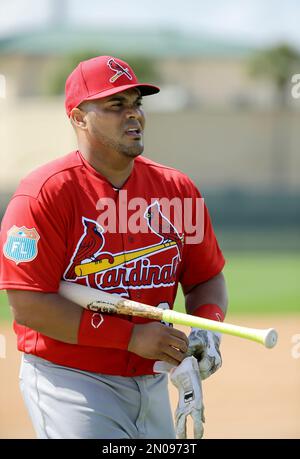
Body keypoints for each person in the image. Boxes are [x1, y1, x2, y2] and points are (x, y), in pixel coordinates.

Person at [0, 56, 228, 439]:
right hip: (71, 383)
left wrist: (208, 328)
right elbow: (28, 304)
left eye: (136, 103)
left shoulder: (177, 190)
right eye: (115, 106)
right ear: (78, 118)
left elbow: (206, 277)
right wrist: (130, 338)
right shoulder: (44, 195)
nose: (133, 115)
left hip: (152, 379)